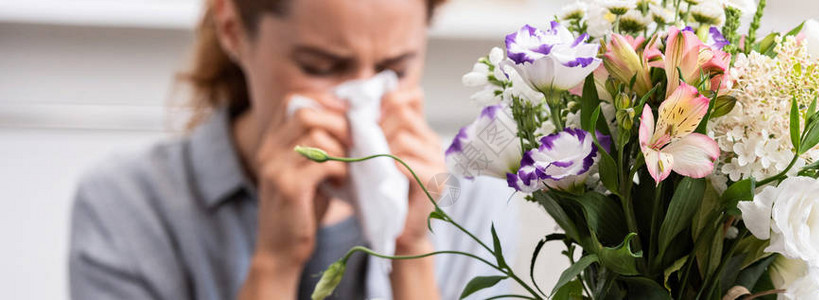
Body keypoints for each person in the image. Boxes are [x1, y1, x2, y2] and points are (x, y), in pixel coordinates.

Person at [67, 0, 518, 299]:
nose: (363, 96)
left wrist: (412, 248)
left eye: (394, 69)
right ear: (233, 32)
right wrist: (275, 262)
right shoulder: (128, 206)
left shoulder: (469, 190)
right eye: (321, 67)